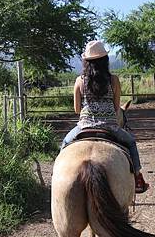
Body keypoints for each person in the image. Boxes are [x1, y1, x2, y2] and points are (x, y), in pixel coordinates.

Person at [61, 40, 149, 193]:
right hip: (110, 126)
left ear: (86, 62)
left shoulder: (79, 81)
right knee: (131, 142)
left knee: (65, 142)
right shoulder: (113, 80)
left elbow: (76, 109)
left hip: (84, 126)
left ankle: (59, 177)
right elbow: (116, 107)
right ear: (105, 60)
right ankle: (137, 177)